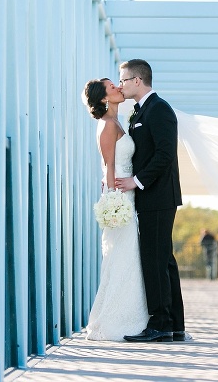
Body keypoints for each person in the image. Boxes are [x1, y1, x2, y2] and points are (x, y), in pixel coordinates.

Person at [115, 59, 191, 343]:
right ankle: (174, 325)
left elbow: (165, 154)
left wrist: (136, 181)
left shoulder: (159, 109)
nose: (120, 85)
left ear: (137, 80)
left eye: (123, 80)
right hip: (152, 196)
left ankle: (160, 324)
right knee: (164, 259)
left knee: (155, 259)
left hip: (158, 195)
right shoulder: (140, 111)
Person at [82, 78, 148, 341]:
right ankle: (117, 320)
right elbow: (108, 166)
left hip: (128, 192)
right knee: (123, 256)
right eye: (113, 87)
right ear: (103, 99)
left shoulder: (119, 122)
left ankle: (131, 314)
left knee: (128, 256)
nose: (119, 88)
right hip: (120, 196)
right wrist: (114, 204)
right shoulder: (107, 126)